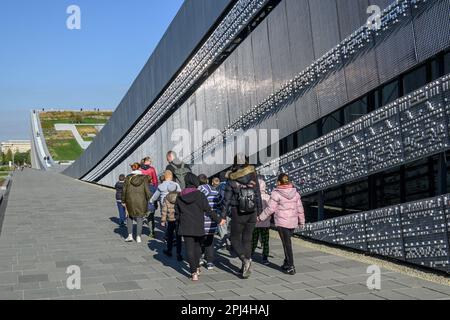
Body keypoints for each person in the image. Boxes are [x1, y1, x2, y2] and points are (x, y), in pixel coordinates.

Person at [175, 173, 224, 281]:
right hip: (198, 225)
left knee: (189, 249)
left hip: (185, 225)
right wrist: (219, 220)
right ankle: (197, 267)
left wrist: (178, 226)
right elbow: (208, 210)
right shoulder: (200, 195)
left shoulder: (179, 195)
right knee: (197, 247)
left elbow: (177, 214)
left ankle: (193, 273)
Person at [222, 154, 262, 279]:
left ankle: (244, 260)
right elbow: (257, 194)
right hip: (252, 210)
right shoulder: (253, 174)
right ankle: (245, 265)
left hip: (237, 211)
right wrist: (260, 211)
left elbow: (226, 199)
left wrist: (223, 216)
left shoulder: (231, 178)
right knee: (247, 239)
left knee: (234, 238)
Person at [257, 173, 305, 275]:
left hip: (282, 223)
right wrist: (301, 221)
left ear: (279, 182)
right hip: (292, 222)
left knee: (287, 244)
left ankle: (291, 266)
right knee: (287, 243)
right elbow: (300, 208)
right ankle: (286, 263)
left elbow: (270, 209)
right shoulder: (295, 193)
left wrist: (260, 218)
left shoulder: (276, 193)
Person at [122, 163, 151, 244]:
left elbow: (124, 190)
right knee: (140, 218)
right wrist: (150, 199)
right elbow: (147, 190)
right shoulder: (144, 178)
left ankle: (130, 235)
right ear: (139, 169)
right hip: (141, 201)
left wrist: (123, 201)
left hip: (129, 200)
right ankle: (138, 237)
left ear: (132, 169)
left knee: (129, 217)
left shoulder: (128, 177)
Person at [198, 174, 221, 270]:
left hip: (202, 220)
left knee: (200, 240)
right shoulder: (215, 191)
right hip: (212, 220)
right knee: (210, 241)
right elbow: (219, 204)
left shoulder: (199, 189)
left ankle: (200, 258)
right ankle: (210, 262)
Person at [251, 178, 271, 265]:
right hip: (266, 223)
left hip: (255, 223)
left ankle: (250, 255)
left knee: (253, 240)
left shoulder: (253, 196)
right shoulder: (268, 197)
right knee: (265, 241)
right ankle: (265, 257)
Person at [161, 184, 183, 261]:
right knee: (178, 236)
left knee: (170, 236)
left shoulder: (166, 197)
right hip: (178, 218)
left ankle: (169, 250)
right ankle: (178, 253)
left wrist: (163, 220)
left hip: (170, 219)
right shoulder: (180, 196)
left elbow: (164, 209)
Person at [140, 157, 159, 238]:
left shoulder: (140, 169)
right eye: (149, 161)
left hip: (142, 191)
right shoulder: (151, 169)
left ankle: (138, 231)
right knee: (151, 214)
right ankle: (152, 232)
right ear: (146, 161)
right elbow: (155, 181)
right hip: (151, 190)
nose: (151, 162)